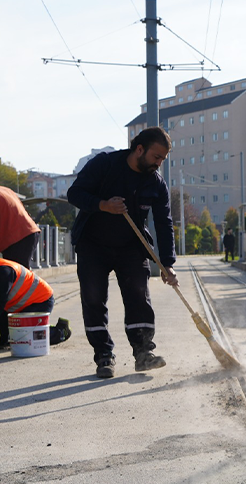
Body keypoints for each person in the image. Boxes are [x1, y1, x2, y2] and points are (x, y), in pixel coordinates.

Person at [66, 126, 178, 378]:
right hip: (92, 244)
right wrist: (103, 205)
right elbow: (74, 193)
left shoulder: (156, 183)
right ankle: (104, 356)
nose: (159, 164)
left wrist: (167, 263)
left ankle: (143, 353)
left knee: (139, 297)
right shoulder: (105, 165)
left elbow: (164, 222)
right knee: (94, 299)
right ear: (140, 149)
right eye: (156, 157)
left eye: (162, 159)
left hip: (132, 248)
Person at [0, 255, 71, 348]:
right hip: (17, 307)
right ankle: (40, 326)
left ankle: (60, 332)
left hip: (41, 301)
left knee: (24, 337)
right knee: (3, 337)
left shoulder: (2, 272)